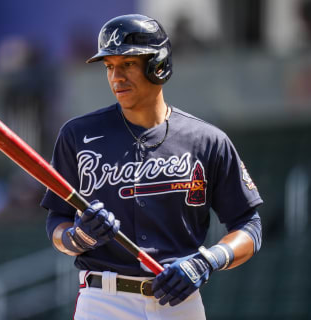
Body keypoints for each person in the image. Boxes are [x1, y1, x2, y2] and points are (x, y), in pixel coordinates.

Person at [41, 14, 263, 320]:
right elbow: (57, 221)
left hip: (179, 302)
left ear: (159, 65)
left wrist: (207, 260)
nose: (116, 77)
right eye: (109, 66)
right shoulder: (76, 135)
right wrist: (78, 237)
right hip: (105, 301)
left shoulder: (208, 140)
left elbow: (249, 226)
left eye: (128, 64)